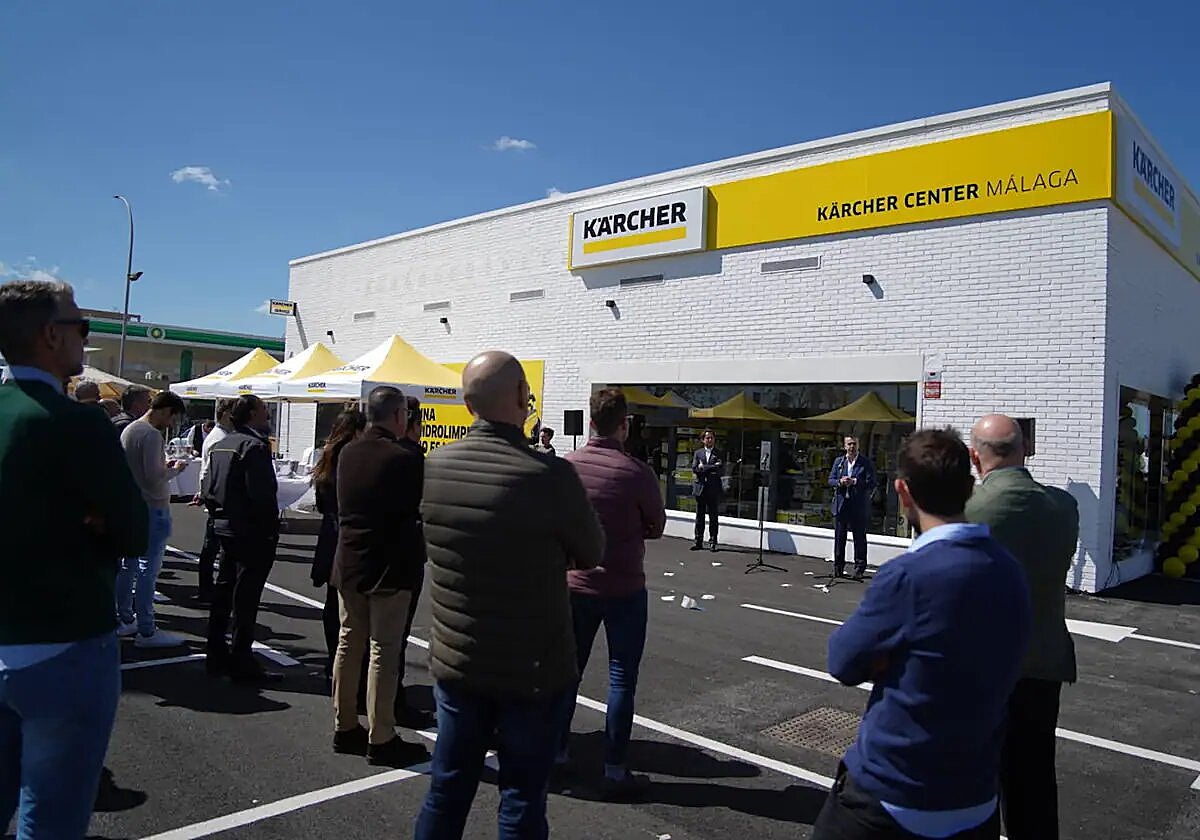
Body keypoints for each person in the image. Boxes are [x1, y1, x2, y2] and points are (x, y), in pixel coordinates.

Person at [415, 350, 604, 840]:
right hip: (532, 667)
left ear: (467, 403)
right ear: (523, 396)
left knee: (447, 788)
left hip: (459, 658)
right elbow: (591, 551)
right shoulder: (548, 476)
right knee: (521, 798)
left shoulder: (435, 467)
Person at [813, 428, 1032, 840]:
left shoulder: (908, 575)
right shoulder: (1010, 571)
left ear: (903, 492)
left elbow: (842, 660)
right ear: (970, 486)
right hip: (976, 798)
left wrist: (890, 660)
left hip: (892, 793)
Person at [0, 279, 148, 838]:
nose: (86, 337)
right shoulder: (77, 424)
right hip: (63, 642)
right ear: (50, 335)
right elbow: (133, 531)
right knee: (52, 817)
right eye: (81, 327)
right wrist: (94, 520)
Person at [966, 414, 1079, 840]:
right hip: (1044, 662)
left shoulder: (966, 510)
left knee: (974, 785)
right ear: (1025, 450)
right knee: (1034, 783)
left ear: (975, 457)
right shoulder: (1063, 506)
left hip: (982, 669)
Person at [561, 388, 666, 798]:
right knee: (622, 678)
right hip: (624, 585)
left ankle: (557, 751)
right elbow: (656, 526)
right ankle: (614, 768)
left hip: (577, 583)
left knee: (568, 672)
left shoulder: (568, 467)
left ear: (590, 423)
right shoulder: (637, 473)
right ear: (624, 426)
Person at [330, 387, 429, 767]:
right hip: (390, 566)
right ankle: (382, 734)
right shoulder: (406, 456)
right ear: (399, 415)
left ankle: (344, 724)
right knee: (383, 650)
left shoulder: (349, 451)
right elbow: (419, 507)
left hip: (350, 561)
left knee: (349, 643)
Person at [202, 394, 282, 684]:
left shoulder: (221, 445)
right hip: (250, 531)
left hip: (225, 525)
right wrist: (271, 529)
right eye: (263, 410)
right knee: (246, 598)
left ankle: (216, 653)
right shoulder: (254, 446)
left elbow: (208, 487)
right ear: (251, 414)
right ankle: (241, 660)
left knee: (224, 591)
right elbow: (262, 495)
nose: (267, 415)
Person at [116, 390, 189, 648]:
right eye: (172, 418)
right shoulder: (151, 435)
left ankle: (125, 618)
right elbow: (153, 477)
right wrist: (175, 470)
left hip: (132, 505)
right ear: (166, 410)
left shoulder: (130, 430)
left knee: (128, 566)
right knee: (148, 570)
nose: (171, 424)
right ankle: (146, 629)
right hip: (153, 506)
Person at [309, 407, 367, 684]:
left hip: (329, 535)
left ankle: (333, 660)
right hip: (346, 535)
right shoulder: (352, 458)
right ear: (357, 431)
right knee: (350, 607)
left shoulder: (327, 457)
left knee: (332, 604)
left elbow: (321, 503)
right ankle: (345, 665)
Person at [394, 395, 436, 729]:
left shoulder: (360, 451)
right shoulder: (412, 458)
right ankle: (392, 703)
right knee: (394, 636)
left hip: (364, 557)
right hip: (403, 555)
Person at [193, 400, 235, 603]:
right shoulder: (220, 438)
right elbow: (208, 470)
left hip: (213, 495)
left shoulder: (219, 436)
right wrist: (204, 493)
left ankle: (208, 587)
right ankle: (208, 588)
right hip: (218, 497)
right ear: (226, 414)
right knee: (213, 545)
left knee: (212, 545)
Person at [828, 435, 877, 580]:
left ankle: (859, 568)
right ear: (844, 446)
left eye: (854, 444)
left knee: (859, 538)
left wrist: (855, 481)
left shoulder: (865, 463)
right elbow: (830, 480)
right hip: (841, 504)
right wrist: (840, 482)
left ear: (858, 445)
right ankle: (838, 568)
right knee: (839, 537)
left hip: (858, 505)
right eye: (849, 444)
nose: (852, 447)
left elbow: (871, 482)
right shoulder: (839, 462)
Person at [691, 429, 723, 552]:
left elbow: (719, 468)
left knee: (713, 516)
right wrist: (711, 468)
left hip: (713, 489)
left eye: (711, 438)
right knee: (700, 516)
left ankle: (713, 541)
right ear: (703, 440)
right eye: (707, 438)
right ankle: (698, 541)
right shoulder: (698, 453)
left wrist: (703, 467)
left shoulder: (718, 453)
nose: (709, 440)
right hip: (700, 488)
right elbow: (694, 468)